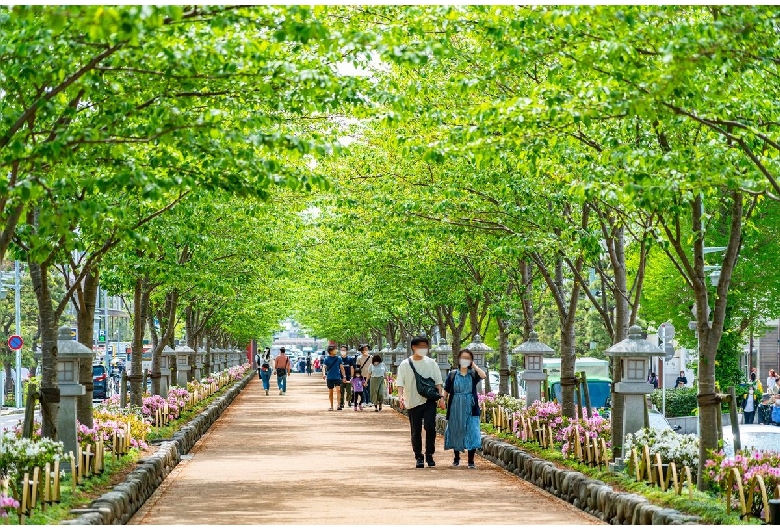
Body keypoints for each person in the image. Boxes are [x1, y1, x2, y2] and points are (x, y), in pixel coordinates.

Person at [396, 336, 444, 469]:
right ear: (413, 347)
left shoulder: (431, 363)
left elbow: (438, 382)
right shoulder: (405, 364)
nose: (423, 349)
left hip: (429, 400)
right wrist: (400, 397)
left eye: (425, 347)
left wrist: (441, 398)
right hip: (412, 401)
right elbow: (400, 383)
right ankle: (418, 456)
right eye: (420, 346)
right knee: (415, 430)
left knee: (430, 427)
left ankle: (429, 454)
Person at [443, 349, 486, 469]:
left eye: (468, 358)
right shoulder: (452, 374)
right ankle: (456, 457)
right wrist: (442, 399)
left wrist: (475, 366)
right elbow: (446, 389)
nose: (465, 360)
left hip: (471, 406)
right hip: (455, 405)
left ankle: (471, 460)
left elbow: (483, 375)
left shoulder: (473, 374)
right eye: (463, 358)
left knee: (472, 430)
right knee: (456, 430)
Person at [322, 345, 347, 411]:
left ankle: (338, 405)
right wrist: (324, 374)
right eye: (334, 349)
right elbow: (324, 367)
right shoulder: (326, 359)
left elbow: (342, 368)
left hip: (337, 377)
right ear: (330, 351)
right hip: (330, 378)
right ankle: (331, 406)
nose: (336, 350)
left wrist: (344, 376)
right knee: (331, 392)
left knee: (338, 390)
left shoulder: (339, 358)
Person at [338, 346, 355, 410]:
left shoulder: (350, 359)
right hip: (340, 378)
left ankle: (349, 401)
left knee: (349, 391)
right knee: (341, 391)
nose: (343, 351)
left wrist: (352, 377)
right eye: (342, 350)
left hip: (348, 378)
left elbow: (352, 368)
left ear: (347, 351)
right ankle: (341, 403)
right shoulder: (338, 359)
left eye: (344, 350)